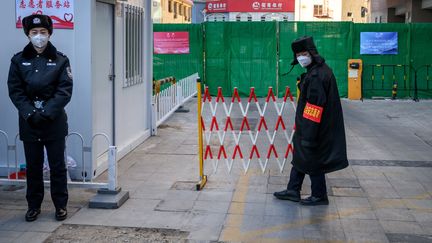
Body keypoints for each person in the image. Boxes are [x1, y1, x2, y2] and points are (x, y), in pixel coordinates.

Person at [8, 14, 73, 221]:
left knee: (57, 167)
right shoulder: (18, 60)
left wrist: (46, 112)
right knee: (33, 167)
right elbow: (15, 90)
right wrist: (29, 113)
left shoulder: (61, 60)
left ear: (49, 33)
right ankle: (33, 206)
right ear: (28, 34)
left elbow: (64, 90)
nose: (39, 36)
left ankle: (60, 206)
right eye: (34, 32)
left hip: (53, 123)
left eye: (43, 32)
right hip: (29, 123)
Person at [274, 36, 348, 206]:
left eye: (303, 53)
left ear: (312, 53)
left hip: (315, 128)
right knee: (301, 156)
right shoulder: (319, 71)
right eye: (298, 54)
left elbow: (314, 107)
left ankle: (319, 195)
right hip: (313, 127)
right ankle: (293, 189)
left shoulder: (316, 76)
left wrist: (308, 134)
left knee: (312, 159)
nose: (301, 57)